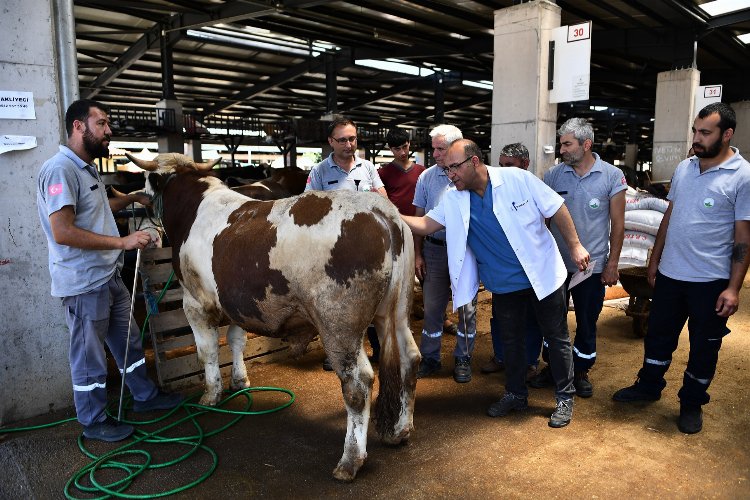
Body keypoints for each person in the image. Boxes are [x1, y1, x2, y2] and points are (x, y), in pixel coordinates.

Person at [402, 139, 590, 428]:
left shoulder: (517, 179)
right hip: (504, 285)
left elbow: (556, 207)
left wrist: (575, 246)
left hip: (543, 276)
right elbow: (426, 225)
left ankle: (565, 397)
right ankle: (516, 394)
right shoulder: (454, 198)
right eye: (447, 169)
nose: (449, 174)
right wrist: (388, 213)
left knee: (556, 338)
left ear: (474, 162)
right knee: (510, 343)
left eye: (454, 167)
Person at [36, 99, 183, 443]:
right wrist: (123, 242)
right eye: (101, 123)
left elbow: (103, 204)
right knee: (89, 356)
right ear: (78, 126)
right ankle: (93, 419)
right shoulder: (60, 170)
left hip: (107, 276)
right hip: (84, 283)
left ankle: (145, 397)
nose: (108, 130)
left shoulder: (87, 169)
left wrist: (133, 198)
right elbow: (63, 231)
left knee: (129, 341)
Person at [613, 102, 750, 434]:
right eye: (695, 131)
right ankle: (648, 386)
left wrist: (733, 287)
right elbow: (670, 217)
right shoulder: (686, 167)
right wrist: (655, 259)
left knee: (705, 346)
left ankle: (691, 402)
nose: (697, 138)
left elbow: (743, 238)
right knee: (659, 336)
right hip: (671, 276)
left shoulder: (743, 176)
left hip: (710, 281)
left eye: (705, 132)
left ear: (726, 134)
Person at [530, 118, 627, 398]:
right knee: (553, 318)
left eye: (567, 144)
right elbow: (544, 220)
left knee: (587, 319)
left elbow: (618, 225)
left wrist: (612, 264)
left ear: (586, 145)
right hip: (556, 264)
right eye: (561, 143)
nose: (561, 149)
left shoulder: (611, 176)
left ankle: (582, 369)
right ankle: (554, 368)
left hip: (591, 267)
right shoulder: (553, 176)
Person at [305, 115, 384, 368]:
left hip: (367, 246)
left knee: (369, 298)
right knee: (336, 301)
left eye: (352, 138)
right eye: (342, 140)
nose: (349, 144)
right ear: (331, 142)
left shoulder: (368, 167)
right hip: (334, 249)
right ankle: (339, 353)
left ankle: (378, 348)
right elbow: (307, 205)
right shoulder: (319, 171)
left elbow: (382, 198)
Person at [412, 125, 478, 383]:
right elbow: (420, 217)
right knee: (432, 307)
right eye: (434, 148)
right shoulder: (426, 177)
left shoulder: (470, 177)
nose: (435, 153)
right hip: (435, 250)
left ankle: (463, 358)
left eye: (440, 148)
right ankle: (430, 357)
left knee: (466, 308)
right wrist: (418, 254)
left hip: (464, 250)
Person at [480, 143, 543, 380]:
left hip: (530, 266)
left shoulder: (534, 187)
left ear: (525, 164)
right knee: (500, 314)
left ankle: (529, 362)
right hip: (503, 265)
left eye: (510, 165)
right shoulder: (495, 188)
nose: (503, 170)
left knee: (531, 317)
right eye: (501, 165)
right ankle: (501, 356)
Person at [378, 128, 425, 216]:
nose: (402, 152)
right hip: (394, 223)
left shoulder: (422, 171)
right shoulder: (382, 173)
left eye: (405, 146)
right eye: (397, 149)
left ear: (409, 143)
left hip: (418, 222)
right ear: (390, 149)